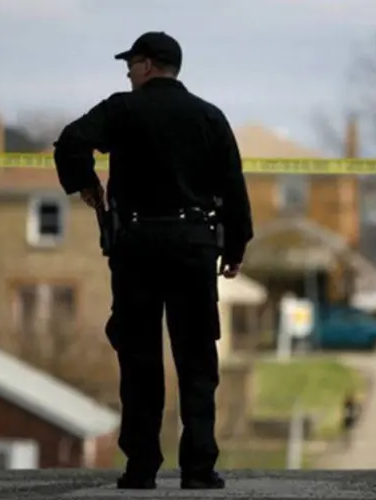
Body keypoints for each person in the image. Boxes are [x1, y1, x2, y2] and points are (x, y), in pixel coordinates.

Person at [52, 32, 253, 490]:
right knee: (198, 359)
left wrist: (87, 184)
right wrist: (235, 249)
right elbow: (234, 189)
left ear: (147, 66)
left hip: (137, 248)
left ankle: (141, 467)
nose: (126, 72)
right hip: (193, 248)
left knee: (139, 358)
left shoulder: (123, 109)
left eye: (130, 64)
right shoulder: (209, 116)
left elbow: (70, 142)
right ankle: (199, 468)